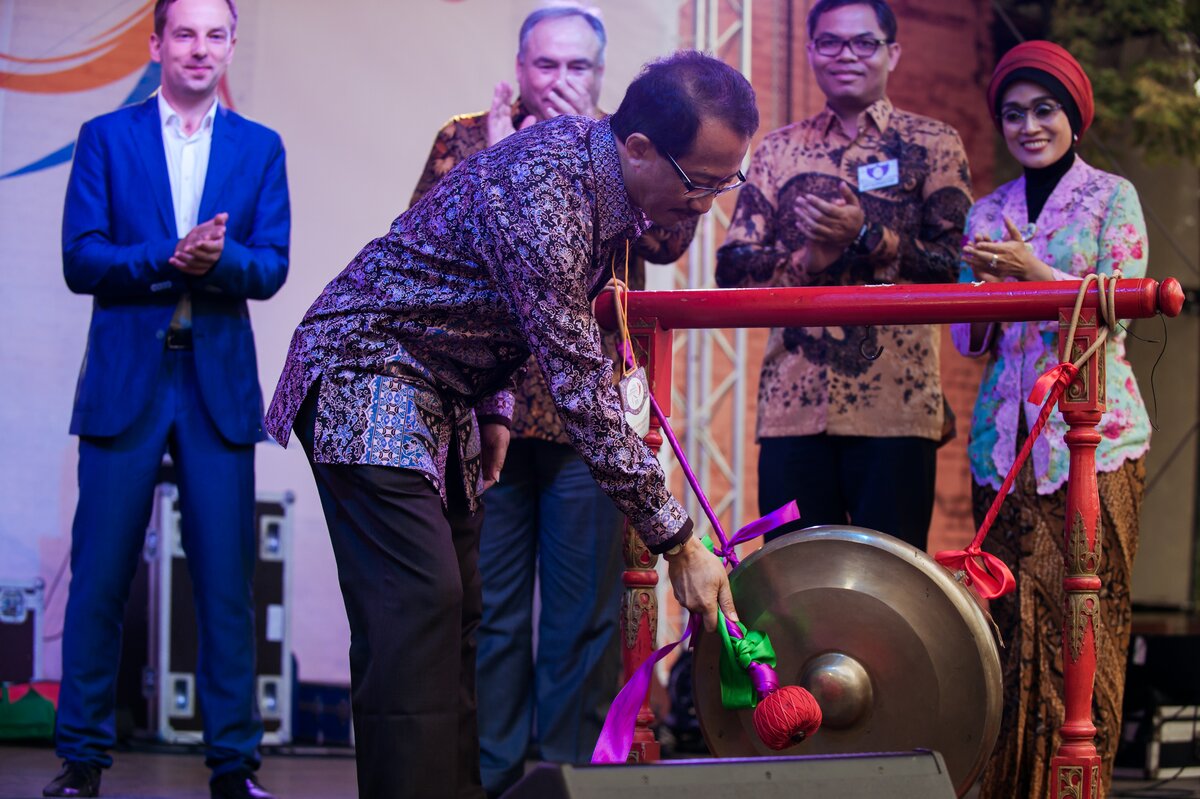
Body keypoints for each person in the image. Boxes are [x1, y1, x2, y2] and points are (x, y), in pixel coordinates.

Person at [266, 50, 755, 799]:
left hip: (446, 392)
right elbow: (580, 387)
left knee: (459, 608)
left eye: (728, 182)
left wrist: (493, 404)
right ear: (638, 148)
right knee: (416, 610)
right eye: (699, 183)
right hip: (366, 369)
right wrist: (679, 542)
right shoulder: (547, 193)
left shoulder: (595, 170)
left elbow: (477, 287)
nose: (708, 204)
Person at [409, 6, 696, 794]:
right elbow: (421, 230)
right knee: (490, 609)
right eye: (546, 65)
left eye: (577, 67)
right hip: (486, 410)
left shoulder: (628, 144)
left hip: (589, 415)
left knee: (583, 616)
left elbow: (671, 238)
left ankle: (572, 777)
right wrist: (507, 154)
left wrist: (598, 159)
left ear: (600, 76)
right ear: (519, 68)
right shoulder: (467, 136)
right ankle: (492, 777)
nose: (560, 80)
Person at [44, 1, 289, 797]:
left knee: (225, 588)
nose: (199, 49)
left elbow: (271, 265)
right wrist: (168, 255)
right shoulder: (105, 138)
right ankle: (81, 760)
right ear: (156, 44)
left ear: (232, 47)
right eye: (184, 33)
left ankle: (233, 767)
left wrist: (216, 262)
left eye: (215, 35)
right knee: (100, 580)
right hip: (127, 384)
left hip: (216, 387)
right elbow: (82, 259)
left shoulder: (260, 146)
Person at [951, 41, 1149, 799]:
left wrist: (1036, 277)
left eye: (1044, 110)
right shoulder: (987, 210)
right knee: (1002, 623)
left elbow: (1118, 317)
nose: (1028, 126)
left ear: (1073, 117)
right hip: (1002, 446)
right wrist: (978, 288)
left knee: (1083, 616)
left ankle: (1077, 786)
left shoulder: (1112, 198)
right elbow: (969, 340)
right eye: (1013, 114)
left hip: (1091, 442)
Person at [715, 0, 971, 550]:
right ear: (810, 52)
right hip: (792, 409)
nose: (846, 54)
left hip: (897, 407)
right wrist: (810, 261)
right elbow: (731, 270)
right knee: (792, 578)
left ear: (892, 53)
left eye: (863, 42)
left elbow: (954, 268)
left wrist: (867, 236)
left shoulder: (934, 144)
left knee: (892, 583)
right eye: (830, 42)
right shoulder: (779, 150)